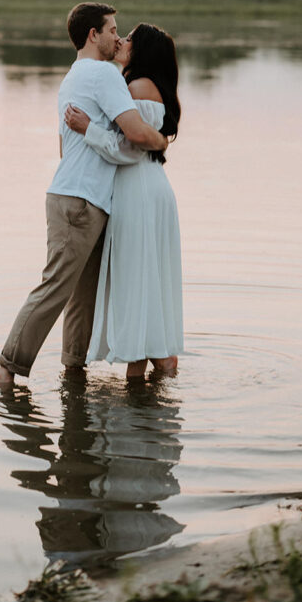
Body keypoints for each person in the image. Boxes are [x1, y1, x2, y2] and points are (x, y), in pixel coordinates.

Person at [0, 3, 168, 387]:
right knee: (56, 287)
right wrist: (160, 139)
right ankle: (6, 367)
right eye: (112, 29)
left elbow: (62, 147)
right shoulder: (103, 74)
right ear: (94, 34)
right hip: (80, 200)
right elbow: (136, 134)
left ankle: (74, 369)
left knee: (79, 295)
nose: (117, 37)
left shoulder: (73, 77)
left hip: (80, 197)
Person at [64, 23, 183, 379]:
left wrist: (89, 130)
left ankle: (155, 366)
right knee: (143, 277)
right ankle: (152, 370)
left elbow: (131, 147)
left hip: (139, 189)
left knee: (136, 277)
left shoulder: (136, 87)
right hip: (148, 187)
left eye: (129, 38)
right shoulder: (139, 85)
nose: (121, 40)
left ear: (141, 51)